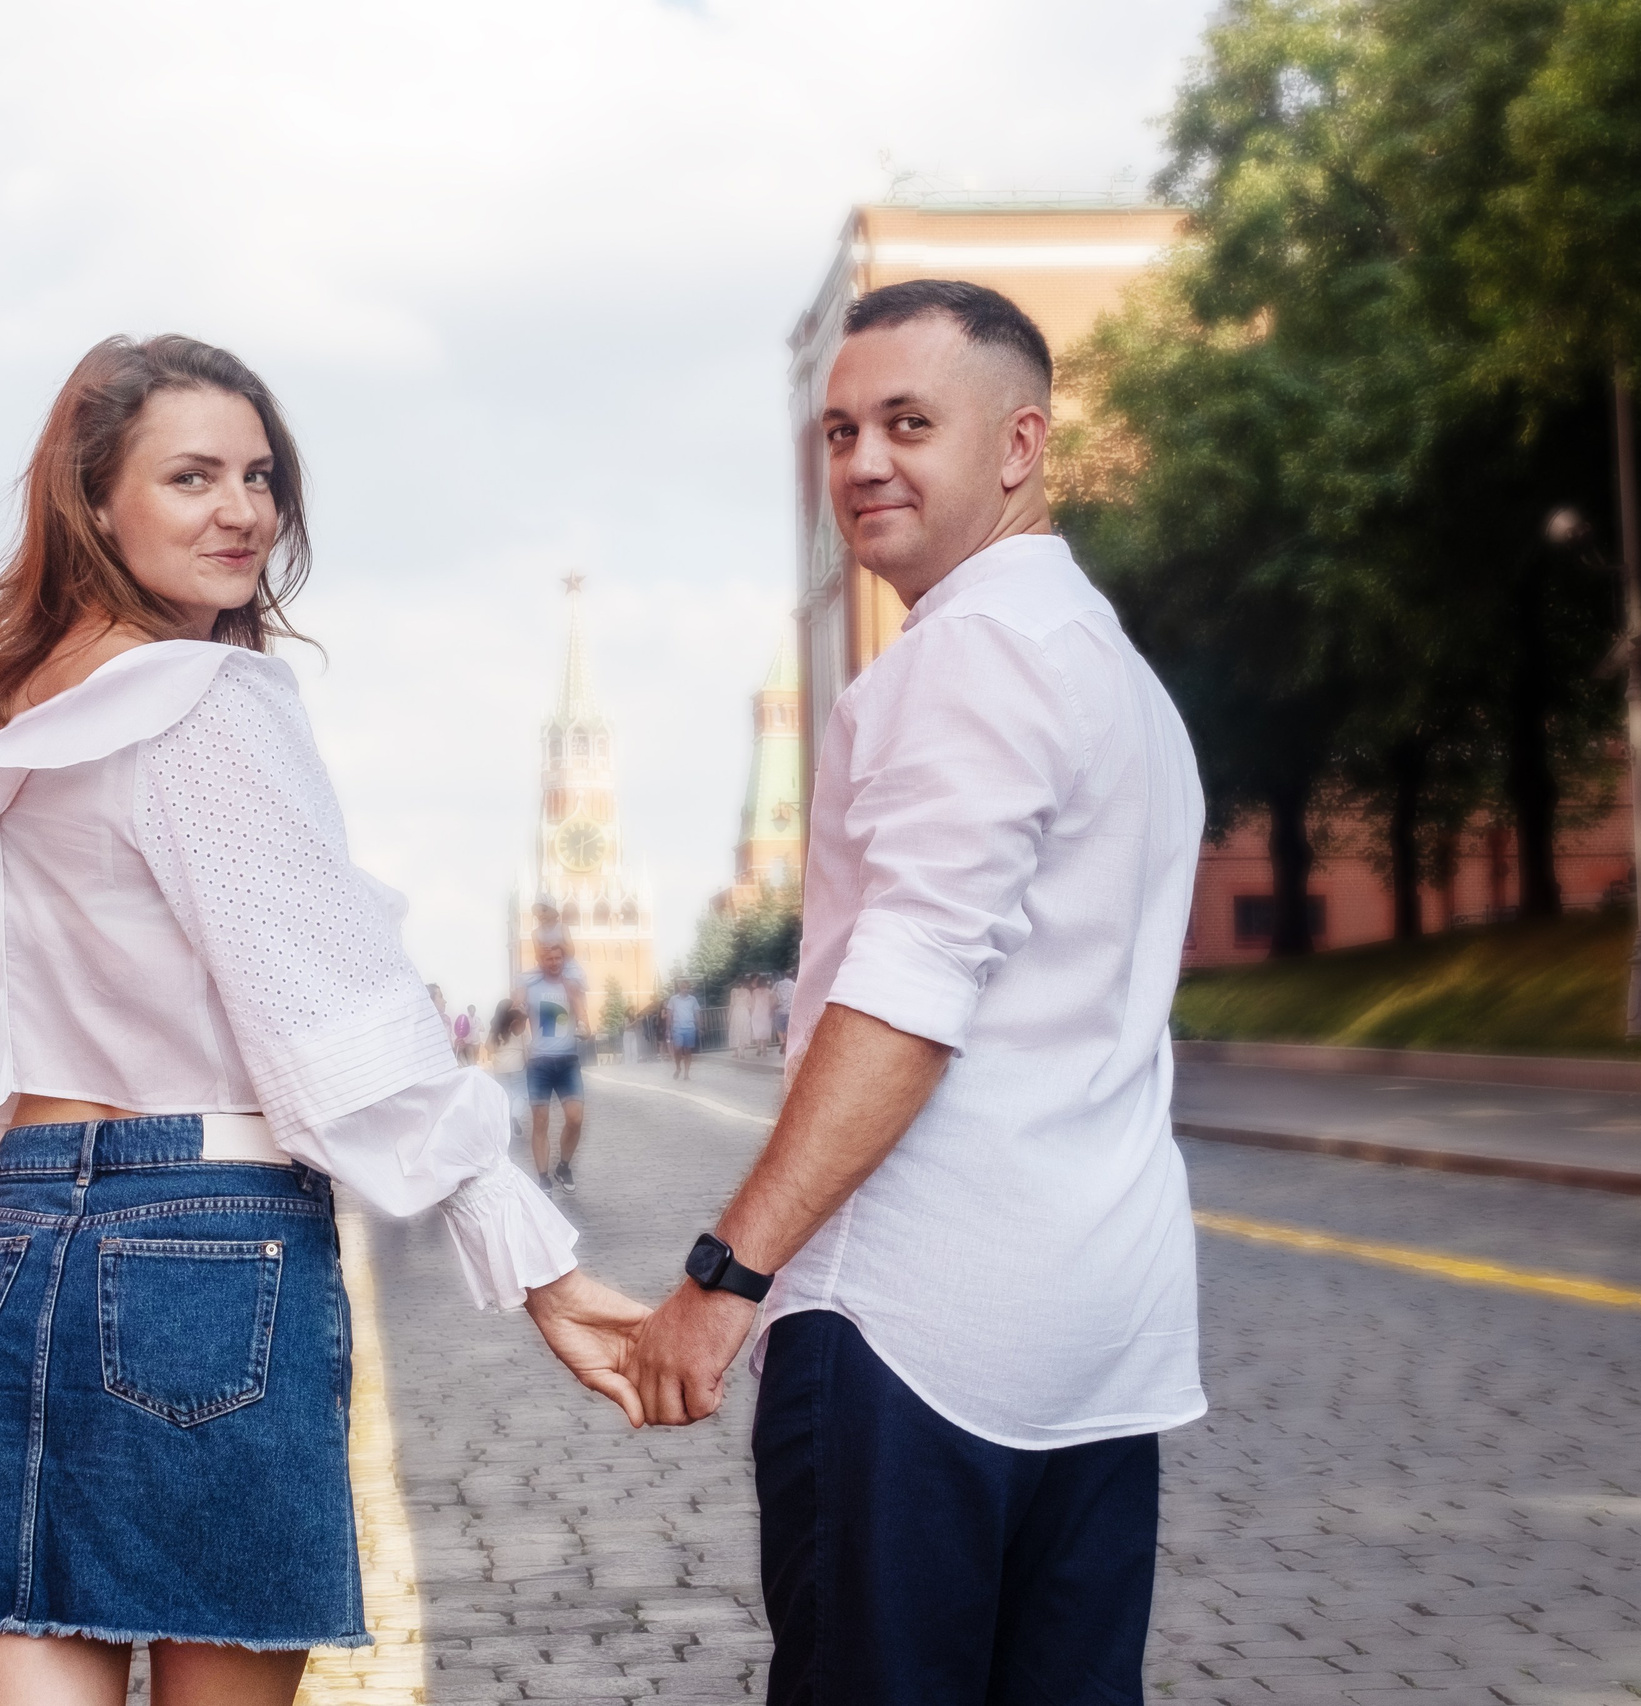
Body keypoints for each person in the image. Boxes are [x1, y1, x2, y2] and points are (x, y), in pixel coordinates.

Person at [0, 334, 649, 1706]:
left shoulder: (9, 716)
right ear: (95, 497)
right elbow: (333, 1012)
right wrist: (530, 1256)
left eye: (259, 475)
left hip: (25, 1242)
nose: (242, 510)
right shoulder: (205, 702)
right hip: (204, 1241)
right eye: (191, 476)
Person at [624, 280, 1205, 1704]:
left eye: (905, 423)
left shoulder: (966, 656)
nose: (860, 461)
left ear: (1018, 446)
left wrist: (727, 1275)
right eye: (836, 432)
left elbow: (907, 991)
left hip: (915, 1339)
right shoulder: (1110, 670)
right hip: (1093, 1331)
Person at [517, 937, 589, 1192]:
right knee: (541, 1120)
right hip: (539, 1064)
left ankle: (563, 1167)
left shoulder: (572, 987)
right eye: (549, 958)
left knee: (575, 1119)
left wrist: (584, 1029)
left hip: (568, 1061)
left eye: (559, 958)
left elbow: (586, 1025)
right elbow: (515, 1020)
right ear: (540, 960)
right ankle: (543, 1178)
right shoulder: (529, 985)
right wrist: (518, 1010)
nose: (555, 962)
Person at [486, 998, 529, 1141]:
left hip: (500, 1067)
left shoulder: (495, 1027)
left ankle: (506, 1125)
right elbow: (527, 1044)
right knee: (521, 1094)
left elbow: (489, 1048)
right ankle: (515, 1116)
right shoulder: (519, 1025)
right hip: (517, 1065)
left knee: (506, 1097)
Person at [664, 979, 700, 1079]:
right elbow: (669, 1014)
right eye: (684, 988)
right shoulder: (673, 999)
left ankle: (686, 1074)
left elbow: (697, 1013)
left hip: (690, 1028)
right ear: (680, 988)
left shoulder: (692, 999)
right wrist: (667, 1028)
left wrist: (700, 1026)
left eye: (687, 988)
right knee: (677, 1048)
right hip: (677, 1028)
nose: (686, 990)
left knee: (688, 1050)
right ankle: (678, 1067)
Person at [771, 969, 795, 1052]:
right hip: (791, 1011)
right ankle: (786, 1044)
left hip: (779, 1010)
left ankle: (782, 1042)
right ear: (793, 976)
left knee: (779, 1028)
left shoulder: (777, 984)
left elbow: (771, 994)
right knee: (788, 1029)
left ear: (785, 975)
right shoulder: (795, 985)